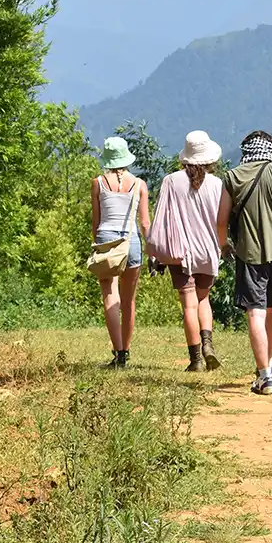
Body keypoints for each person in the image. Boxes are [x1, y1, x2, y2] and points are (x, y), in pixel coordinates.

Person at [216, 130, 272, 396]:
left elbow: (221, 220)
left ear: (246, 150)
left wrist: (224, 245)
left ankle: (265, 374)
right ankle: (266, 367)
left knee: (255, 312)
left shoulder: (233, 177)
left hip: (249, 253)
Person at [148, 131, 225, 372]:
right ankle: (208, 345)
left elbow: (161, 218)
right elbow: (222, 220)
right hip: (209, 250)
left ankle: (196, 360)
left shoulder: (171, 181)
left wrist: (156, 253)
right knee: (204, 299)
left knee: (189, 305)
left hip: (180, 253)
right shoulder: (217, 184)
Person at [91, 135, 152, 369]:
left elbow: (96, 222)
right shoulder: (139, 184)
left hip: (106, 239)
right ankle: (126, 350)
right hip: (131, 240)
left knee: (109, 296)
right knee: (129, 301)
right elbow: (144, 223)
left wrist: (97, 246)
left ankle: (118, 354)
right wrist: (152, 250)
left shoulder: (98, 183)